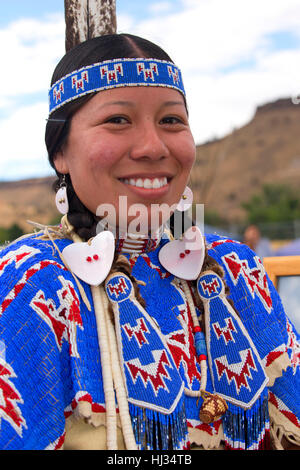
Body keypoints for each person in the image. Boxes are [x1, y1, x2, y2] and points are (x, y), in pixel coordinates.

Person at [0, 34, 299, 451]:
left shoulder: (237, 270)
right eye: (118, 120)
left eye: (171, 121)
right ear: (61, 153)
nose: (154, 147)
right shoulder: (29, 285)